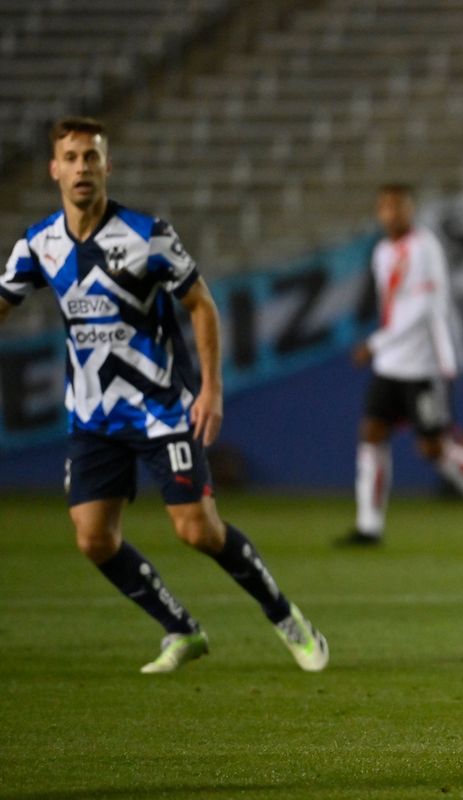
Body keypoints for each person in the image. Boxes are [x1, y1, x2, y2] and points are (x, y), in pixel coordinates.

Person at [0, 117, 328, 674]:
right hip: (93, 418)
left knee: (198, 530)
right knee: (94, 539)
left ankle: (286, 617)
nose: (82, 168)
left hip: (159, 410)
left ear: (108, 166)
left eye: (91, 156)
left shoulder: (146, 235)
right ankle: (181, 629)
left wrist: (211, 390)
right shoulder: (39, 244)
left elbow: (200, 304)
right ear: (54, 169)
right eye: (71, 158)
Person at [340, 184, 463, 547]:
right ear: (379, 213)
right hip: (390, 365)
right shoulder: (382, 251)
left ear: (411, 210)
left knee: (433, 448)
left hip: (423, 366)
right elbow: (394, 307)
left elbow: (426, 308)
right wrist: (382, 348)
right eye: (386, 207)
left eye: (400, 206)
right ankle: (369, 525)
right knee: (371, 433)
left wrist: (375, 343)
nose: (393, 214)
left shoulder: (425, 248)